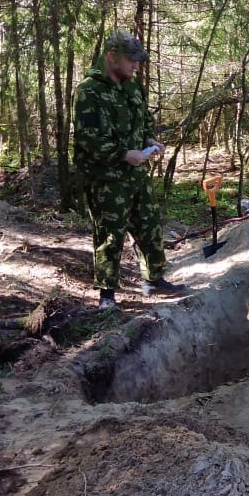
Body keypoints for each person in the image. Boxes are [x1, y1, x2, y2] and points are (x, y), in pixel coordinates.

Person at [73, 30, 187, 310]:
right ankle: (107, 295)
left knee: (149, 225)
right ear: (112, 58)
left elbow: (144, 118)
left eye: (138, 60)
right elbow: (89, 140)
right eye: (131, 60)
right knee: (110, 235)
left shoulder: (132, 87)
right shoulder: (89, 92)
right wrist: (124, 154)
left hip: (136, 174)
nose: (136, 65)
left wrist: (149, 139)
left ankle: (154, 280)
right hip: (106, 178)